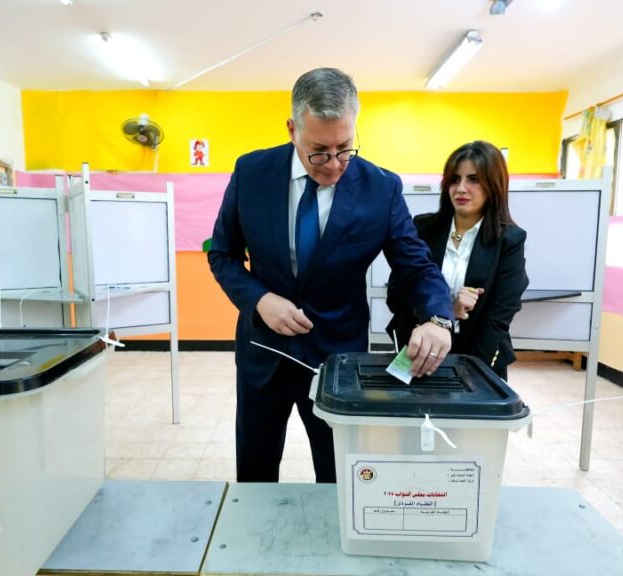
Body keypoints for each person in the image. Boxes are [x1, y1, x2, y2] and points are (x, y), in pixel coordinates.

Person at [208, 68, 453, 483]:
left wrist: (437, 318)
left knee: (339, 473)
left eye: (345, 148)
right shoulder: (251, 173)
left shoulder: (380, 188)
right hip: (264, 352)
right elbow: (223, 255)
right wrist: (259, 299)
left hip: (337, 357)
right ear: (292, 130)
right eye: (319, 152)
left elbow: (416, 266)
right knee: (255, 470)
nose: (336, 164)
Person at [387, 140, 529, 381]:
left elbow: (497, 319)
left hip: (478, 357)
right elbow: (396, 297)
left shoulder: (509, 240)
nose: (461, 188)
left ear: (493, 184)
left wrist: (472, 375)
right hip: (420, 354)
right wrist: (447, 313)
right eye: (454, 179)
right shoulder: (423, 228)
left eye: (474, 179)